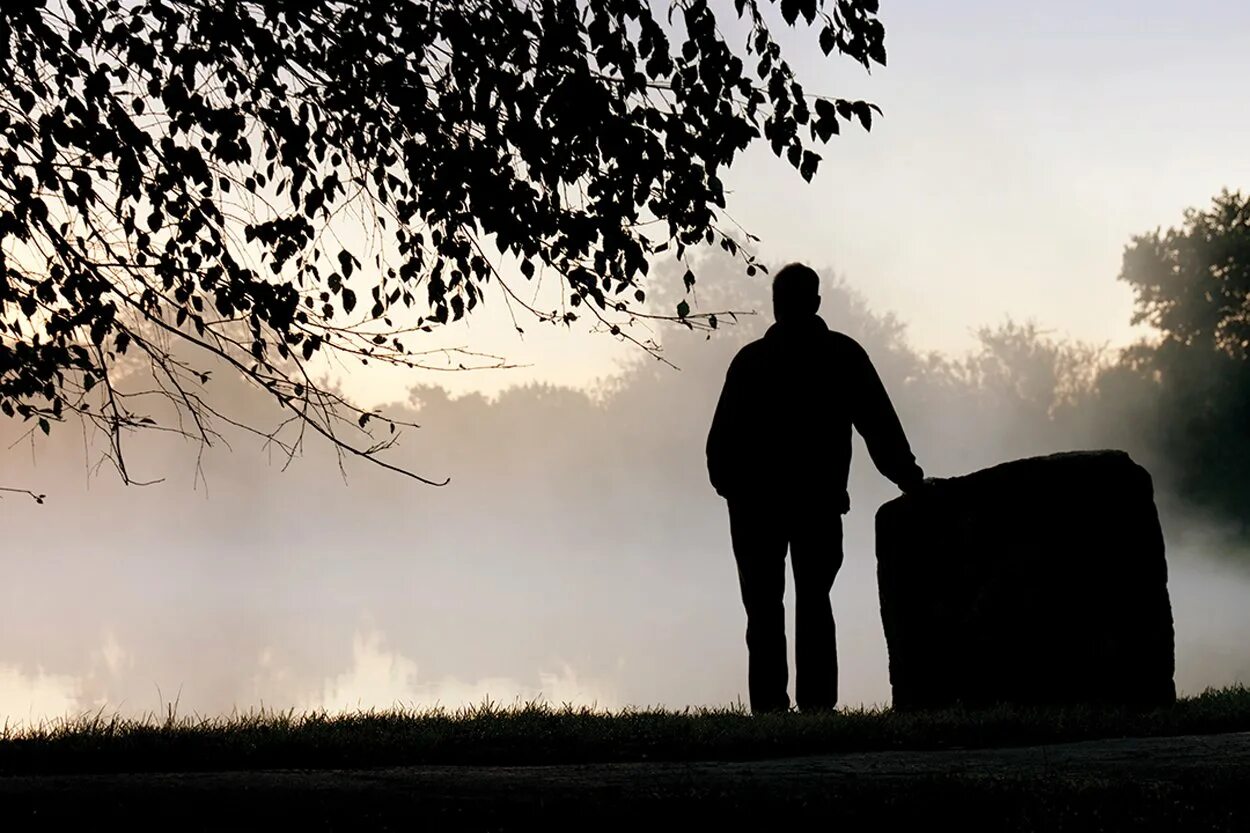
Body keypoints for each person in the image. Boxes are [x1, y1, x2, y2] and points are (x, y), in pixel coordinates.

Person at [706, 262, 925, 714]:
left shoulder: (750, 362)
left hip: (756, 509)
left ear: (775, 305)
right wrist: (908, 478)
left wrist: (736, 493)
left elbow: (719, 446)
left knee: (764, 611)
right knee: (815, 606)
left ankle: (770, 712)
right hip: (817, 505)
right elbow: (879, 426)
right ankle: (818, 711)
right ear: (817, 303)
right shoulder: (842, 356)